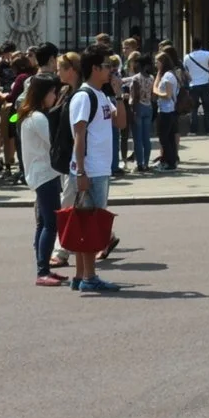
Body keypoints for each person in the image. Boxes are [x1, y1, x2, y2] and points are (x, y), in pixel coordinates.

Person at [64, 51, 121, 293]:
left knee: (85, 222)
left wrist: (119, 95)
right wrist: (81, 171)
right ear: (95, 69)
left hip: (99, 167)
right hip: (90, 169)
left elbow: (121, 123)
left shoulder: (101, 95)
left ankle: (80, 276)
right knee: (91, 225)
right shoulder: (84, 96)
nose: (111, 70)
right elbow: (79, 134)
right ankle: (89, 277)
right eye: (107, 66)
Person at [14, 73, 65, 286]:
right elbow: (53, 141)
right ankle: (42, 271)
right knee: (51, 223)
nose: (55, 96)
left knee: (44, 222)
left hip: (41, 173)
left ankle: (42, 267)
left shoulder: (30, 115)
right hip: (45, 174)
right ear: (44, 94)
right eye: (53, 93)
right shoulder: (37, 118)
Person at [150, 51, 183, 171]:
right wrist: (158, 74)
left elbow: (167, 94)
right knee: (168, 137)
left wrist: (156, 91)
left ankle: (170, 162)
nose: (155, 64)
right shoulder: (166, 74)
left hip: (167, 110)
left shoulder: (169, 76)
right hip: (168, 110)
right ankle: (169, 161)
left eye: (157, 62)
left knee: (164, 137)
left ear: (163, 62)